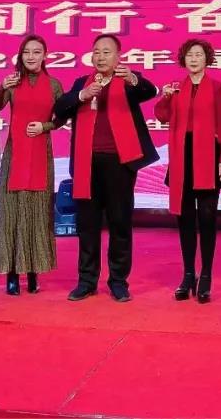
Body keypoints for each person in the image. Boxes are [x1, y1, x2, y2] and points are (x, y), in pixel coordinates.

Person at [53, 34, 158, 302]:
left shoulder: (129, 81)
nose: (100, 57)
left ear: (118, 56)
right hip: (86, 162)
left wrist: (133, 78)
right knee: (87, 224)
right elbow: (60, 108)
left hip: (120, 163)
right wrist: (82, 95)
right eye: (97, 52)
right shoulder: (82, 82)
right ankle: (87, 281)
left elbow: (149, 91)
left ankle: (118, 281)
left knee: (119, 222)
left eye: (107, 52)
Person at [154, 38, 221, 303]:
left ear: (207, 59)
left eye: (198, 54)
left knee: (208, 218)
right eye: (189, 55)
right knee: (185, 218)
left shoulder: (217, 88)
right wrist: (165, 97)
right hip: (182, 156)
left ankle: (206, 274)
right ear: (183, 60)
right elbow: (162, 116)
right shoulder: (176, 88)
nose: (194, 59)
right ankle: (188, 274)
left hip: (209, 155)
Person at [0, 35, 63, 295]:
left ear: (45, 55)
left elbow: (62, 117)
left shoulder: (54, 85)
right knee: (11, 213)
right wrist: (1, 87)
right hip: (14, 156)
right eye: (26, 52)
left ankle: (33, 272)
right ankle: (11, 274)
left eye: (37, 51)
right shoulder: (13, 81)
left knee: (37, 213)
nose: (31, 56)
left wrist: (45, 126)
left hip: (41, 154)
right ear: (20, 56)